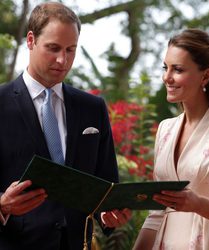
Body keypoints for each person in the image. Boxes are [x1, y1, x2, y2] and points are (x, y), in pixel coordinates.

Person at [0, 2, 131, 250]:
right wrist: (2, 205)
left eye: (71, 50)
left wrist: (108, 214)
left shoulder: (93, 108)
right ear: (30, 40)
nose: (63, 59)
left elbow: (107, 186)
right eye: (53, 48)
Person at [133, 28, 209, 250]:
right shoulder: (165, 129)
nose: (167, 77)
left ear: (205, 76)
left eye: (177, 69)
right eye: (165, 68)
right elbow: (157, 212)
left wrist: (198, 204)